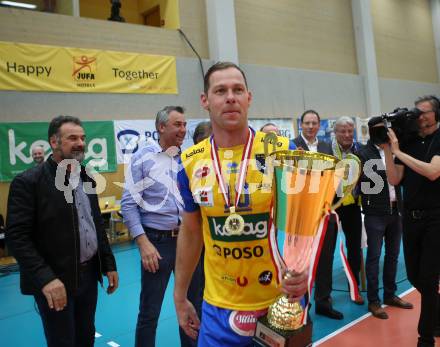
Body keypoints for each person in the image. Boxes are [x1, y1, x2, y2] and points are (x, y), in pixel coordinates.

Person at [173, 62, 308, 346]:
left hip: (281, 301)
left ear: (249, 97)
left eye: (238, 89)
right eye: (220, 90)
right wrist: (180, 295)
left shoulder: (284, 153)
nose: (230, 97)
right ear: (205, 100)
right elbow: (191, 232)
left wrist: (306, 270)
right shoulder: (189, 163)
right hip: (219, 308)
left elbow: (305, 224)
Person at [6, 115, 118, 347]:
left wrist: (108, 263)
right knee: (63, 342)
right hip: (56, 281)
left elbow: (95, 223)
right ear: (54, 142)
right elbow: (16, 237)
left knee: (86, 337)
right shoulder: (29, 182)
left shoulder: (85, 176)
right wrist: (46, 279)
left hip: (88, 277)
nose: (80, 143)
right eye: (72, 138)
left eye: (83, 138)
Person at [121, 106, 203, 347]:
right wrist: (142, 242)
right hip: (157, 243)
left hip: (188, 241)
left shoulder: (189, 158)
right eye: (178, 124)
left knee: (193, 305)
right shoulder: (142, 157)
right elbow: (128, 203)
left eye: (185, 125)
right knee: (150, 311)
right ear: (161, 127)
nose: (183, 129)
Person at [384, 95, 440, 346]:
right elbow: (395, 179)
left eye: (423, 112)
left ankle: (425, 337)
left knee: (428, 280)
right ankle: (436, 315)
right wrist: (387, 149)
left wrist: (397, 151)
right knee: (417, 277)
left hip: (436, 219)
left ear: (435, 115)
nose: (418, 116)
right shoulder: (407, 142)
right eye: (415, 112)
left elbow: (432, 172)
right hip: (411, 218)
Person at [358, 121, 413, 320]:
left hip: (396, 211)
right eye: (379, 129)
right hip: (374, 213)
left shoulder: (396, 151)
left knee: (393, 256)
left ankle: (390, 295)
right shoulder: (362, 154)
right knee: (373, 258)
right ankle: (373, 300)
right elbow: (357, 185)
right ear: (372, 131)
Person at [293, 110, 343, 320]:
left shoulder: (326, 147)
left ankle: (324, 301)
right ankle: (300, 305)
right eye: (307, 123)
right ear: (301, 125)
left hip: (325, 213)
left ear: (319, 125)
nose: (311, 126)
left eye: (314, 123)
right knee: (300, 261)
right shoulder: (293, 146)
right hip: (302, 215)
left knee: (326, 258)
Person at [332, 116, 364, 305]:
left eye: (350, 131)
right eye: (342, 131)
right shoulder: (326, 150)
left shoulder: (360, 150)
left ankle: (355, 285)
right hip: (330, 206)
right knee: (326, 249)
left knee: (354, 247)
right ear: (335, 133)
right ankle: (323, 292)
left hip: (353, 205)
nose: (346, 134)